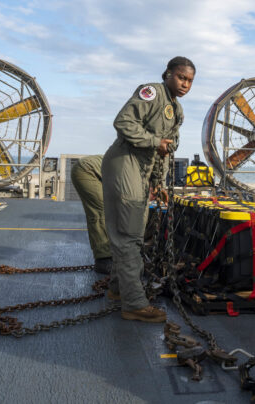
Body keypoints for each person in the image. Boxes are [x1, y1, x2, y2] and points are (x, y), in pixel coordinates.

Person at [102, 56, 195, 323]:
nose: (185, 84)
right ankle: (133, 304)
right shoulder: (152, 93)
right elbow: (123, 123)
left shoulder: (176, 111)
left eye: (189, 81)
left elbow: (164, 151)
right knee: (129, 235)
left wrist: (158, 183)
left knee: (134, 233)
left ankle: (119, 290)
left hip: (142, 170)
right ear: (168, 74)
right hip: (125, 163)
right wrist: (154, 141)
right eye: (181, 77)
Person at [71, 154, 112, 274]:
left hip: (95, 171)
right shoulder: (137, 174)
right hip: (86, 170)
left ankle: (110, 253)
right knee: (101, 211)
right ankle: (103, 260)